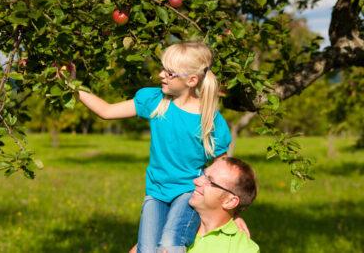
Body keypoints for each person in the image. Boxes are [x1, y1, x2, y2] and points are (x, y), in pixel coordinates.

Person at [77, 41, 234, 252]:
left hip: (188, 192)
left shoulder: (211, 120)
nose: (161, 75)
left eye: (170, 73)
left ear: (191, 80)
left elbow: (225, 174)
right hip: (156, 192)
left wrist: (233, 215)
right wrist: (71, 86)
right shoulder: (154, 100)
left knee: (170, 244)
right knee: (146, 250)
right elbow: (106, 111)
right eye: (163, 69)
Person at [187, 156, 259, 253]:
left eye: (210, 181)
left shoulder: (244, 249)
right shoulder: (170, 219)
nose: (196, 181)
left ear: (230, 201)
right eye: (203, 174)